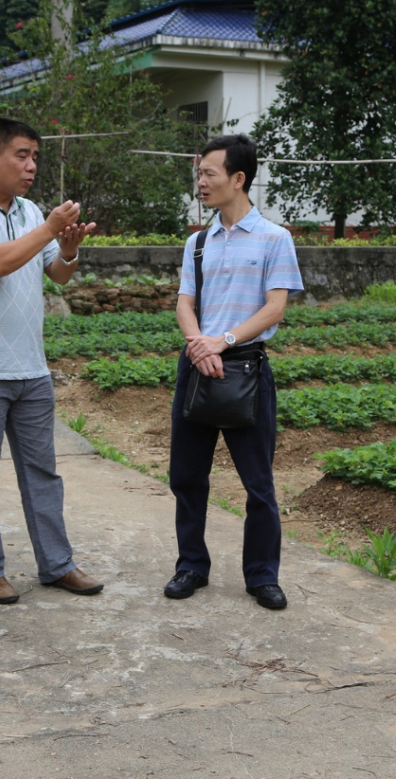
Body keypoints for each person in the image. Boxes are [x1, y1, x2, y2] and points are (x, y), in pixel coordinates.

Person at [0, 118, 102, 605]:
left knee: (42, 472)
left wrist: (67, 248)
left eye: (35, 158)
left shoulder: (29, 211)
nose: (31, 167)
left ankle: (57, 564)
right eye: (21, 156)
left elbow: (58, 274)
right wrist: (48, 228)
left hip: (30, 367)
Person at [164, 134, 303, 610]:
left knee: (257, 483)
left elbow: (275, 309)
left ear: (238, 178)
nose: (200, 182)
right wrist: (197, 345)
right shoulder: (197, 242)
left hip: (246, 370)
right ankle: (190, 566)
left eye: (209, 174)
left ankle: (262, 576)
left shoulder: (274, 238)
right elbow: (185, 303)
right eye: (199, 174)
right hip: (198, 368)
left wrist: (222, 341)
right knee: (187, 476)